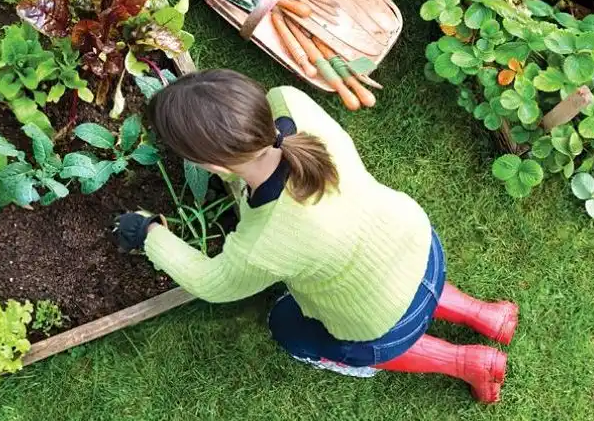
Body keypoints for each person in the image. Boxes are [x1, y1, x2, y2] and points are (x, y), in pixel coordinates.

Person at [115, 69, 518, 403]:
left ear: (211, 165)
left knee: (287, 326)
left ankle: (466, 362)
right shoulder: (291, 104)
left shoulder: (264, 241)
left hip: (381, 320)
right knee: (393, 278)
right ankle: (486, 315)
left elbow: (212, 282)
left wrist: (149, 233)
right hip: (418, 244)